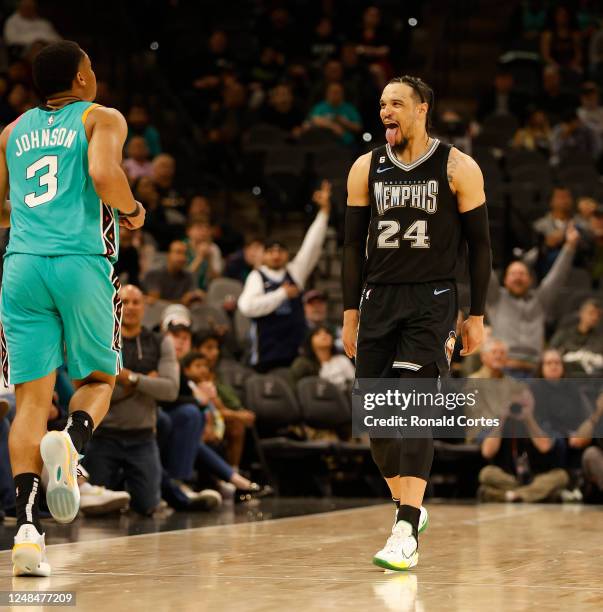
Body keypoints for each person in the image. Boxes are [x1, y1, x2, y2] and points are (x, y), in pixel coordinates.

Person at [0, 41, 146, 576]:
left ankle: (27, 532)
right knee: (100, 379)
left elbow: (0, 209)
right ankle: (74, 440)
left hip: (21, 266)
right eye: (92, 66)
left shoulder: (11, 132)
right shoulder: (100, 117)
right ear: (81, 78)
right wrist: (132, 212)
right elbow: (106, 176)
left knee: (29, 403)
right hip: (80, 262)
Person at [342, 75, 491, 571]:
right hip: (377, 299)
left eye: (397, 103)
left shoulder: (458, 167)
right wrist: (349, 312)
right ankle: (410, 503)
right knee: (378, 421)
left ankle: (405, 528)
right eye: (381, 103)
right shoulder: (366, 167)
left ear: (422, 109)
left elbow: (481, 247)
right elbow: (349, 246)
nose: (386, 111)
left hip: (433, 300)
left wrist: (476, 315)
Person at [82, 285, 179, 515]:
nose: (131, 307)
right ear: (115, 305)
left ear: (144, 307)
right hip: (104, 437)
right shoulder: (100, 340)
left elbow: (171, 390)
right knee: (97, 511)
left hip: (143, 439)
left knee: (148, 507)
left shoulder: (159, 341)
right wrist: (147, 383)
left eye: (136, 302)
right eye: (125, 301)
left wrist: (128, 378)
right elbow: (90, 392)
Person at [238, 181, 331, 372]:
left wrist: (324, 212)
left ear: (287, 255)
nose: (276, 254)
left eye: (280, 250)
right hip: (267, 353)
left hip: (296, 350)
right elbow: (247, 307)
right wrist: (281, 294)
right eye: (270, 250)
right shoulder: (257, 276)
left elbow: (311, 246)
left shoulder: (294, 272)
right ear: (263, 255)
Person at [288, 326, 354, 392]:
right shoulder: (302, 364)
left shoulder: (342, 360)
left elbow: (355, 383)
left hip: (344, 399)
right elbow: (297, 389)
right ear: (310, 340)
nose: (324, 335)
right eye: (317, 334)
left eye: (327, 333)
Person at [550, 298, 603, 375]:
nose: (594, 317)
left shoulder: (600, 338)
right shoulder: (564, 334)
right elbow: (551, 353)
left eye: (598, 315)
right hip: (565, 374)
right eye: (591, 313)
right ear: (581, 313)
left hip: (592, 377)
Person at [143, 240, 204, 305]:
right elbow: (156, 304)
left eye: (185, 254)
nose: (182, 257)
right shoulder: (154, 274)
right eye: (178, 252)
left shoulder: (189, 276)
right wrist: (182, 302)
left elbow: (191, 301)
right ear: (168, 255)